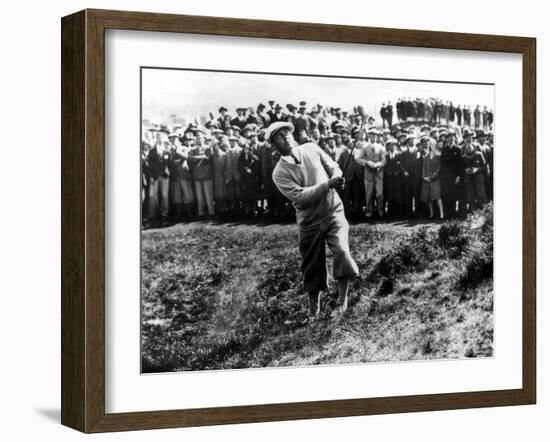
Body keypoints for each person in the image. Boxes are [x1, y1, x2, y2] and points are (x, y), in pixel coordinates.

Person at [269, 121, 359, 317]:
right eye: (279, 136)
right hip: (309, 221)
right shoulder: (279, 172)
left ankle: (342, 303)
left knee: (342, 252)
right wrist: (328, 184)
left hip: (333, 210)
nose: (286, 137)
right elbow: (300, 196)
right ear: (274, 144)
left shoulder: (311, 148)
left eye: (287, 133)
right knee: (312, 266)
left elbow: (333, 166)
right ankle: (313, 311)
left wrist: (337, 176)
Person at [355, 128, 386, 218]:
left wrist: (378, 164)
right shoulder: (365, 147)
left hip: (378, 174)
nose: (374, 137)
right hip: (368, 174)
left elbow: (384, 160)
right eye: (372, 135)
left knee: (380, 194)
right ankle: (369, 211)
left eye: (375, 135)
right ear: (369, 136)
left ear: (377, 137)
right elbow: (358, 159)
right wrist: (367, 163)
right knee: (368, 194)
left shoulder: (381, 147)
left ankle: (380, 211)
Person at [420, 137, 444, 219]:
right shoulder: (426, 156)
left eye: (433, 145)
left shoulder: (438, 156)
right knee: (428, 197)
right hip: (427, 179)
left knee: (437, 196)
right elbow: (423, 168)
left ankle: (441, 213)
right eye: (431, 145)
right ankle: (431, 213)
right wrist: (424, 177)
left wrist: (433, 176)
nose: (432, 147)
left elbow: (439, 168)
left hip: (435, 179)